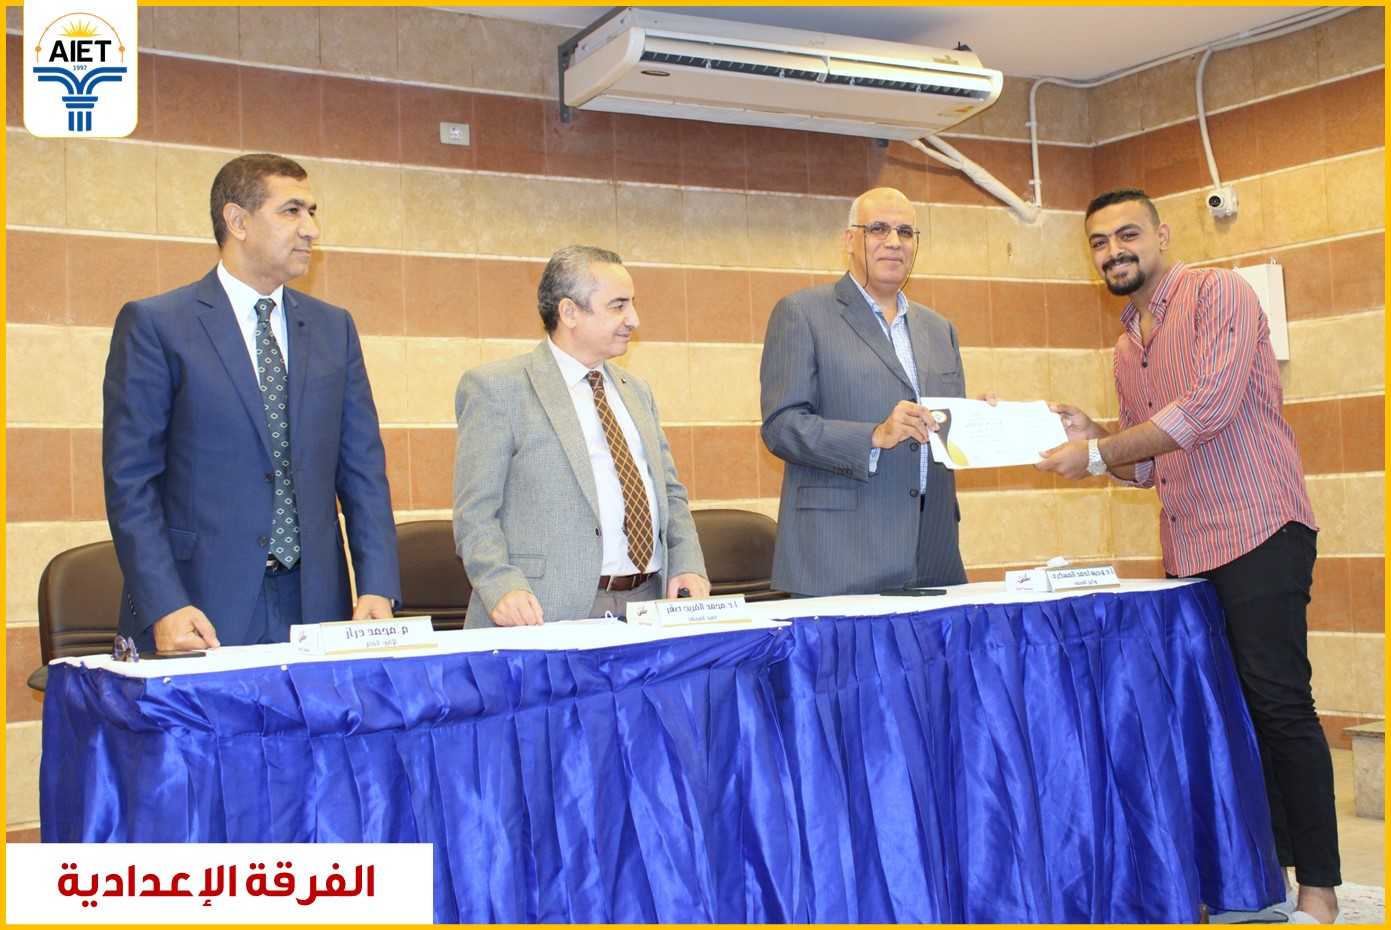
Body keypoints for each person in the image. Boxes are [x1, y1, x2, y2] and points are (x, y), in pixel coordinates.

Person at [1037, 188, 1339, 923]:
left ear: (1162, 235)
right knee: (1224, 716)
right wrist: (1097, 434)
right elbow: (1146, 465)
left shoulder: (1218, 295)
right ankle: (1256, 877)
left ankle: (1320, 888)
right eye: (1099, 242)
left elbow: (1207, 408)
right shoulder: (1125, 347)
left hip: (1260, 528)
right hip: (1188, 547)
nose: (1114, 251)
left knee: (1278, 706)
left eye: (1127, 235)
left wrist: (1099, 451)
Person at [103, 153, 400, 652]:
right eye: (292, 211)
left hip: (317, 603)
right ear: (237, 221)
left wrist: (377, 584)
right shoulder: (157, 325)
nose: (311, 229)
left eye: (312, 212)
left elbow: (362, 470)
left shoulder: (334, 329)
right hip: (200, 605)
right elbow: (131, 482)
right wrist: (164, 604)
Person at [452, 245, 708, 626]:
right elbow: (474, 514)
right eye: (618, 306)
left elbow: (670, 492)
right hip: (545, 611)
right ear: (569, 312)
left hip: (648, 604)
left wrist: (687, 563)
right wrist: (498, 584)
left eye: (632, 304)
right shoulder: (497, 389)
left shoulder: (637, 392)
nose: (634, 319)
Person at [759, 186, 967, 596]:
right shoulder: (802, 314)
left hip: (932, 554)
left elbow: (946, 431)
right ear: (850, 239)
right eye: (878, 229)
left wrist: (983, 420)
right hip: (840, 556)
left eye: (905, 232)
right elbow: (781, 427)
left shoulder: (940, 329)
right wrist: (873, 436)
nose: (894, 242)